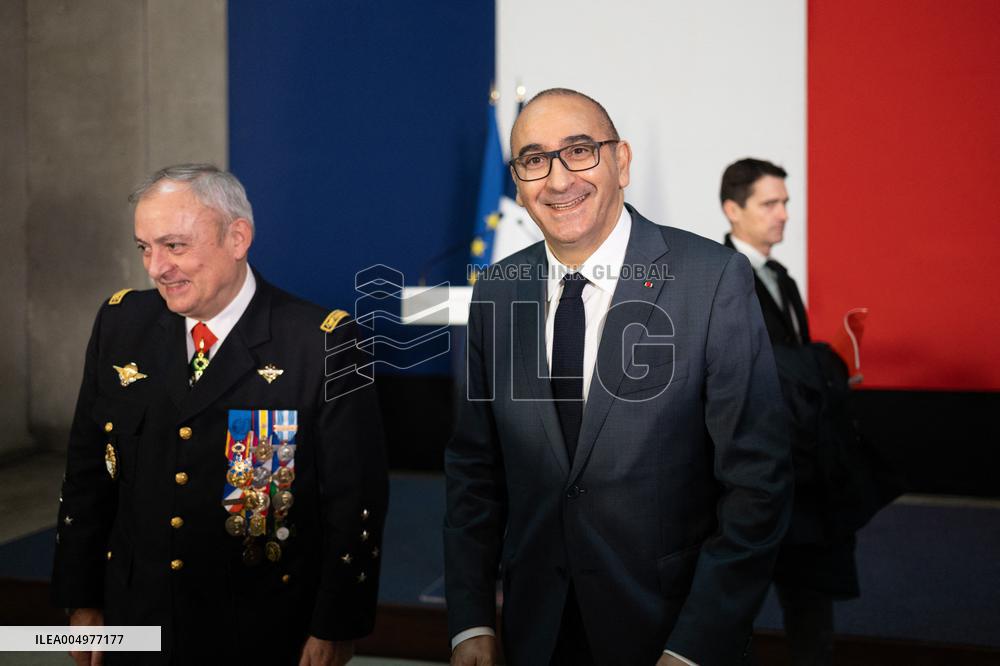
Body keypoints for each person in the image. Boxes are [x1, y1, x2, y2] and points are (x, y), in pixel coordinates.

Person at [445, 89, 792, 666]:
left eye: (579, 151)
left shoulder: (712, 280)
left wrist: (695, 645)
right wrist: (472, 620)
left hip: (668, 634)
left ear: (622, 161)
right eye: (534, 160)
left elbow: (758, 484)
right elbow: (474, 473)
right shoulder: (496, 292)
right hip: (535, 634)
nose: (558, 181)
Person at [51, 164, 388, 665]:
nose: (155, 267)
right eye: (145, 247)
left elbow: (354, 500)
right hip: (135, 619)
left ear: (238, 237)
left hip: (260, 628)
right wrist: (80, 603)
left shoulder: (324, 343)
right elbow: (87, 477)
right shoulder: (121, 325)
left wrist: (335, 624)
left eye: (175, 246)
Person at [720, 157, 881, 665]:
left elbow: (788, 368)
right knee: (730, 616)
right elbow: (753, 372)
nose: (784, 214)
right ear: (732, 210)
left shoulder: (783, 279)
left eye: (785, 202)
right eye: (770, 203)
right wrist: (822, 365)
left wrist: (824, 371)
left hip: (803, 476)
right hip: (748, 480)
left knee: (812, 613)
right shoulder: (719, 280)